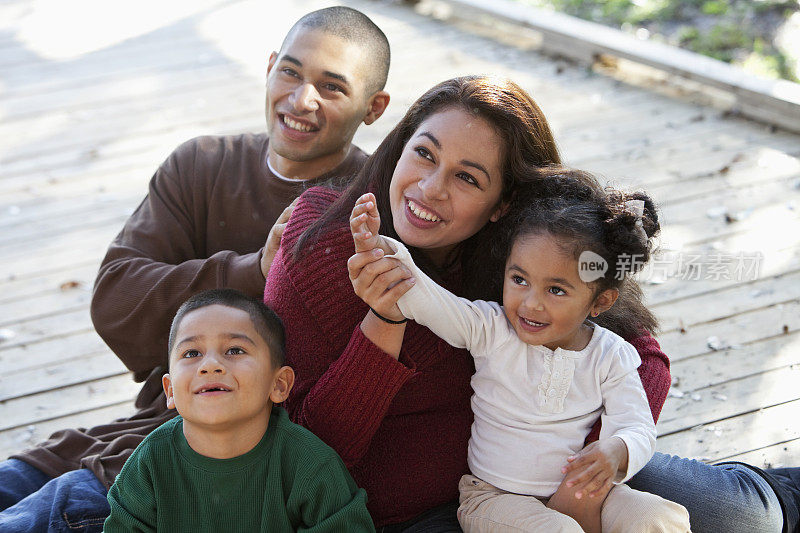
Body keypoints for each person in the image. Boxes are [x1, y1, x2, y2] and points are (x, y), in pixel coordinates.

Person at [265, 75, 800, 533]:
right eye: (424, 152)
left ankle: (778, 488)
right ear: (399, 144)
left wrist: (578, 479)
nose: (430, 188)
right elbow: (309, 448)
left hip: (555, 472)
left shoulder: (528, 254)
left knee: (743, 519)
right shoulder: (328, 245)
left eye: (467, 177)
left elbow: (641, 356)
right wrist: (382, 321)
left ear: (504, 205)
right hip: (423, 513)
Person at [0, 7, 390, 532]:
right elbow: (116, 298)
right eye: (291, 73)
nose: (302, 101)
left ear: (374, 107)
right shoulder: (201, 164)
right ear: (271, 66)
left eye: (332, 88)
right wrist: (254, 269)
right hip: (124, 433)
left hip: (193, 475)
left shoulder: (365, 213)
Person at [348, 169, 691, 533]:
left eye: (556, 290)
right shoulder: (491, 329)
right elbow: (435, 304)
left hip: (585, 492)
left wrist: (617, 451)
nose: (530, 304)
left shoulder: (611, 355)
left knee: (658, 517)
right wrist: (389, 257)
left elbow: (636, 425)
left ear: (600, 301)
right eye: (519, 279)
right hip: (495, 500)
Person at [103, 289, 374, 532]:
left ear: (278, 384)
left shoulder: (310, 467)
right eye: (191, 353)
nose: (209, 365)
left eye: (234, 350)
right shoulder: (150, 462)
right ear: (170, 389)